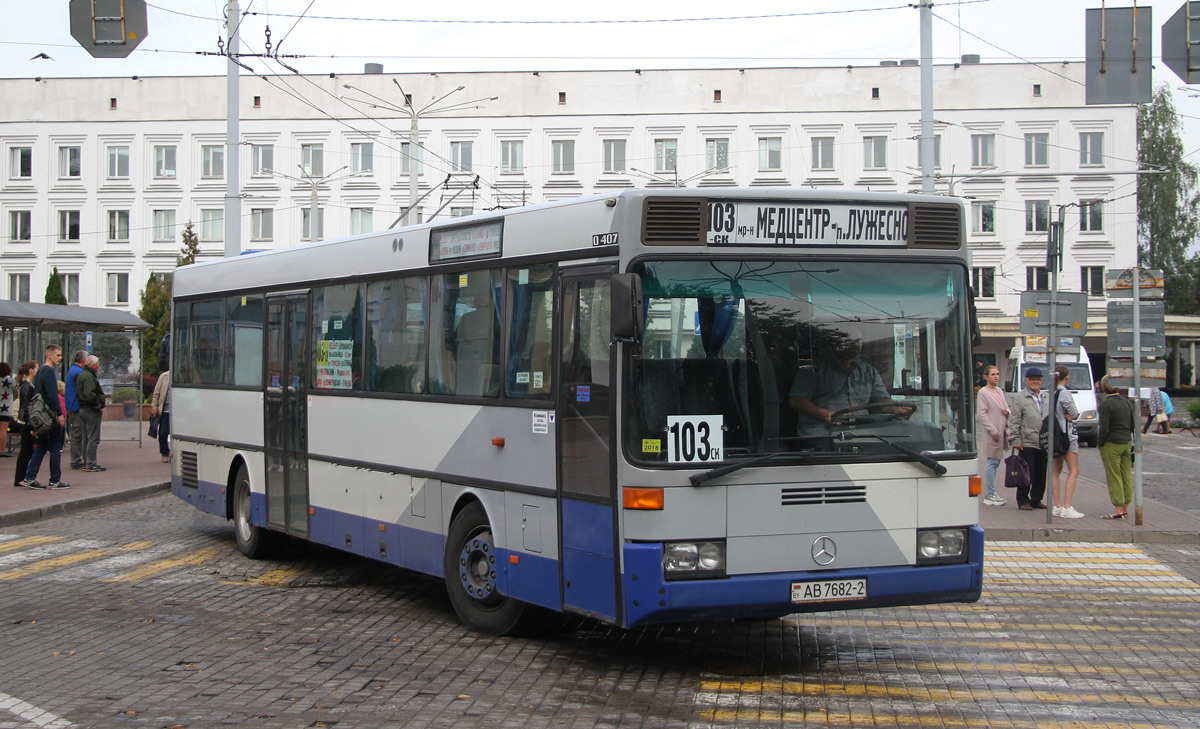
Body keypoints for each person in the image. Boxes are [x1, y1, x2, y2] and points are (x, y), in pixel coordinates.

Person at [789, 324, 914, 431]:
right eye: (849, 342)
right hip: (822, 430)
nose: (854, 346)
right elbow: (797, 400)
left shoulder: (868, 371)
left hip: (862, 430)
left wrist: (896, 409)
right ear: (835, 343)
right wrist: (825, 415)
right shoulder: (813, 368)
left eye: (858, 341)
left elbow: (881, 402)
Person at [20, 344, 68, 490]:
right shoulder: (49, 372)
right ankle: (54, 480)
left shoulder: (40, 370)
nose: (60, 358)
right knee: (55, 446)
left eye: (60, 355)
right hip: (50, 416)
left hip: (41, 415)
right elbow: (53, 395)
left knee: (41, 446)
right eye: (58, 355)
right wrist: (59, 414)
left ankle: (29, 476)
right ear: (49, 355)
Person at [1007, 367, 1049, 511]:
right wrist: (1016, 439)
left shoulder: (1046, 397)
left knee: (1041, 473)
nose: (1035, 382)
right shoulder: (1020, 398)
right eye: (1032, 380)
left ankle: (1036, 499)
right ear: (1026, 380)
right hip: (1027, 441)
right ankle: (1023, 500)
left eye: (1038, 379)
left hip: (1043, 442)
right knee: (1026, 473)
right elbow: (1014, 420)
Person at [1097, 375, 1136, 520]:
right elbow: (1133, 424)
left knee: (1114, 476)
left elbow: (1104, 428)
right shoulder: (1126, 402)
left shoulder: (1106, 404)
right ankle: (1125, 508)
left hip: (1111, 443)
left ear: (1103, 387)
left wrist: (1100, 443)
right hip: (1126, 442)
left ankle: (1118, 509)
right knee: (1126, 475)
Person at [1051, 365, 1083, 518]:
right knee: (1074, 470)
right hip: (1067, 435)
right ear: (1067, 378)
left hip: (1055, 435)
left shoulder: (1051, 392)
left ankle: (1056, 505)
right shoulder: (1064, 393)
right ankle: (1067, 506)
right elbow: (1074, 413)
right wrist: (1072, 415)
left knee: (1055, 471)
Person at [974, 365, 1008, 505]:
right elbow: (981, 414)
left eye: (997, 374)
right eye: (993, 374)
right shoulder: (983, 392)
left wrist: (1007, 412)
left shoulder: (999, 391)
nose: (996, 376)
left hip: (1002, 430)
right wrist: (993, 430)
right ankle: (990, 493)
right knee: (992, 461)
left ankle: (992, 492)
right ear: (986, 377)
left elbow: (1005, 406)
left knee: (997, 460)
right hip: (993, 432)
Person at [76, 354, 107, 472]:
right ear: (93, 365)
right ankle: (91, 463)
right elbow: (89, 394)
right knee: (93, 437)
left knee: (86, 437)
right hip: (90, 409)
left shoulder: (82, 375)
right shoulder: (89, 377)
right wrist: (98, 403)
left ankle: (86, 461)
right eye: (97, 365)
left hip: (82, 409)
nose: (98, 367)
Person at [12, 361, 38, 486]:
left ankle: (21, 476)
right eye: (36, 368)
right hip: (27, 422)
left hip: (26, 421)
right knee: (26, 450)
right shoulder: (27, 387)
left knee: (27, 450)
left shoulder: (27, 385)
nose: (37, 370)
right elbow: (28, 406)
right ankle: (20, 477)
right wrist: (32, 424)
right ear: (31, 370)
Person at [64, 350, 87, 470]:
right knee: (78, 434)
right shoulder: (78, 372)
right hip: (77, 406)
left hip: (73, 405)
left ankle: (77, 458)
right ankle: (76, 460)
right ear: (83, 360)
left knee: (77, 433)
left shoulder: (72, 370)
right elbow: (82, 389)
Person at [151, 370, 171, 463]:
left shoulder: (184, 375)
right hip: (165, 411)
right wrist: (154, 407)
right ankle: (164, 453)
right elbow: (156, 393)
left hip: (178, 413)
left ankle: (174, 452)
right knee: (163, 433)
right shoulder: (164, 376)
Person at [0, 362, 16, 456]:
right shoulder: (10, 381)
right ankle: (2, 450)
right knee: (3, 429)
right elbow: (16, 391)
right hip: (5, 409)